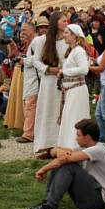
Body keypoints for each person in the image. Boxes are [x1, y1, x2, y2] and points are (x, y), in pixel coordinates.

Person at [26, 119, 105, 209]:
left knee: (68, 166)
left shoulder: (99, 150)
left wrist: (44, 169)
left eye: (78, 135)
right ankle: (48, 203)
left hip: (99, 200)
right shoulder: (86, 148)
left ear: (87, 137)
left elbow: (65, 158)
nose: (76, 139)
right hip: (93, 193)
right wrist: (56, 151)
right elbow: (62, 153)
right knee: (63, 163)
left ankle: (51, 208)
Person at [32, 11, 68, 158]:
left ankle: (61, 144)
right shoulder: (43, 40)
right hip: (49, 81)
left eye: (67, 20)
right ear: (55, 23)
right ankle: (45, 144)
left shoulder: (68, 39)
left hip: (65, 79)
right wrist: (49, 69)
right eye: (63, 20)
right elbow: (35, 61)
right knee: (48, 111)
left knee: (62, 112)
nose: (66, 23)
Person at [54, 24, 91, 152]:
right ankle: (67, 147)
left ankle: (74, 148)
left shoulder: (79, 51)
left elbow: (84, 69)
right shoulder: (73, 51)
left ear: (75, 35)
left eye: (66, 33)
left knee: (74, 118)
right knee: (69, 118)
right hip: (71, 90)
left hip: (77, 90)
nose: (64, 35)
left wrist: (64, 72)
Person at [16, 18, 47, 143]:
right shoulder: (33, 42)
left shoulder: (37, 41)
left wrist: (24, 61)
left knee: (30, 104)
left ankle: (29, 133)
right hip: (31, 77)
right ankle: (31, 131)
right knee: (29, 104)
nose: (21, 32)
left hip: (35, 78)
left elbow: (39, 58)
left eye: (24, 30)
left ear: (31, 30)